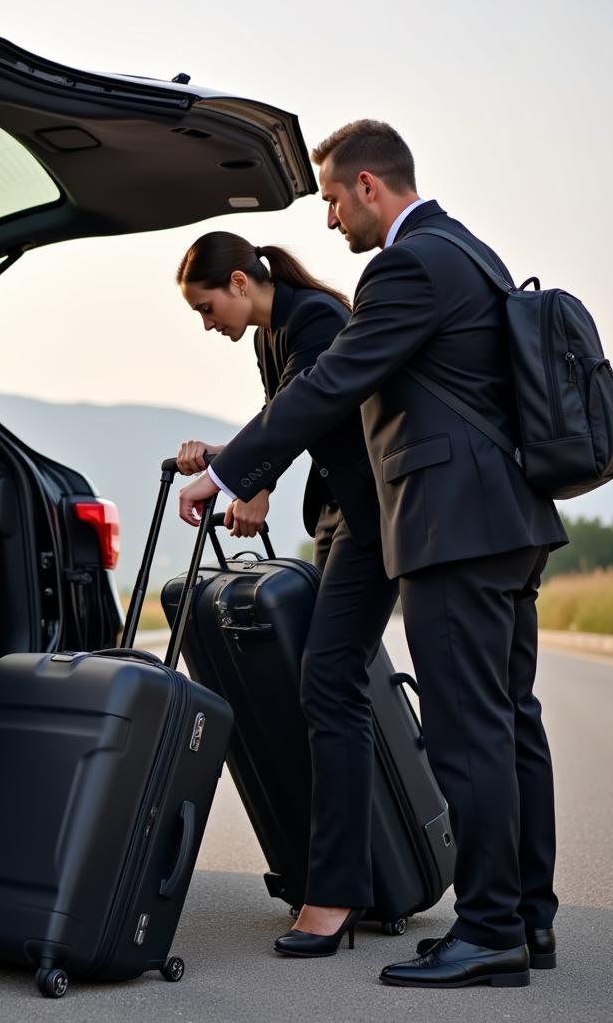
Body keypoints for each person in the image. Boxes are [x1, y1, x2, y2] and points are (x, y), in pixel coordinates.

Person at [178, 120, 567, 989]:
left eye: (328, 199)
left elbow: (334, 383)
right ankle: (527, 922)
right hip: (509, 520)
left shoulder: (408, 264)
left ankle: (491, 930)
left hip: (450, 526)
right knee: (511, 726)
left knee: (471, 732)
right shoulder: (472, 252)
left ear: (365, 185)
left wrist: (233, 471)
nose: (326, 222)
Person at [174, 233, 397, 958]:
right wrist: (239, 471)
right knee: (325, 683)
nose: (208, 325)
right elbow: (286, 418)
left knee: (330, 682)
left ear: (240, 282)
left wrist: (232, 476)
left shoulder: (315, 321)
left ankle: (334, 896)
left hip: (372, 518)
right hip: (336, 514)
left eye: (208, 308)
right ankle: (342, 880)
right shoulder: (273, 334)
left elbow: (305, 404)